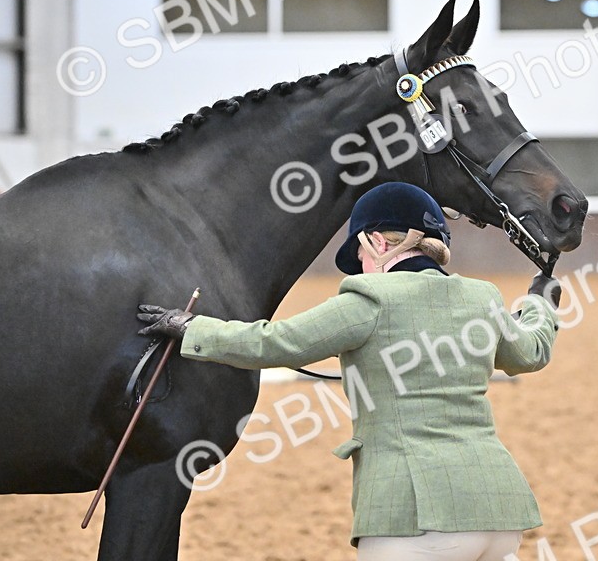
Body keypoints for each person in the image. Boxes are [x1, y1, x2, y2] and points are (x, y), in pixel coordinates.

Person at [138, 182, 562, 561]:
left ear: (378, 242)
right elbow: (531, 352)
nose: (359, 263)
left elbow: (272, 342)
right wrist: (540, 303)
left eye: (359, 251)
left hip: (414, 519)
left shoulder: (369, 300)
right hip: (498, 513)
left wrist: (192, 328)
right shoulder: (482, 298)